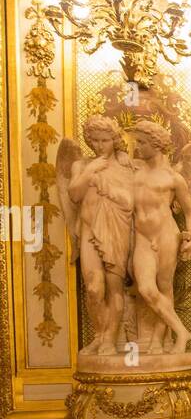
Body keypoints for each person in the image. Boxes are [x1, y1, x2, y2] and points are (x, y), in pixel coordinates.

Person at [67, 116, 134, 356]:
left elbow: (132, 202)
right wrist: (91, 171)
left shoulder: (126, 166)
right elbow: (74, 195)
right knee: (94, 288)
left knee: (115, 288)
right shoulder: (81, 165)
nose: (99, 145)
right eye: (94, 140)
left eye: (105, 140)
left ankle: (110, 339)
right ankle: (99, 334)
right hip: (88, 230)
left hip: (116, 228)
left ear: (114, 140)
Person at [130, 121, 191, 356]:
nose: (137, 147)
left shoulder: (173, 178)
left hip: (167, 235)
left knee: (164, 286)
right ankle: (181, 330)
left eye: (142, 142)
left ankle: (158, 341)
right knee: (147, 288)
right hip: (142, 238)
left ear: (156, 145)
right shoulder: (134, 171)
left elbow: (190, 213)